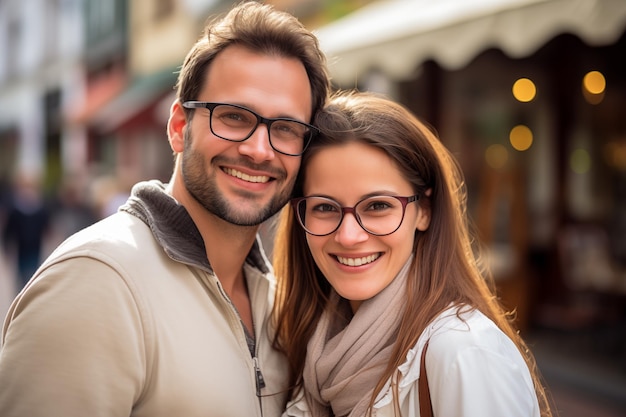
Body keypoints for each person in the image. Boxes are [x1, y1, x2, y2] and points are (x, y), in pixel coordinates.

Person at [0, 2, 329, 416]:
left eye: (285, 128)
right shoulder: (98, 282)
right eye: (232, 117)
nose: (258, 150)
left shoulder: (278, 301)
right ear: (178, 127)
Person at [272, 91, 553, 417]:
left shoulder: (464, 353)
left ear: (425, 210)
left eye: (378, 206)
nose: (348, 236)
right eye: (324, 207)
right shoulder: (310, 345)